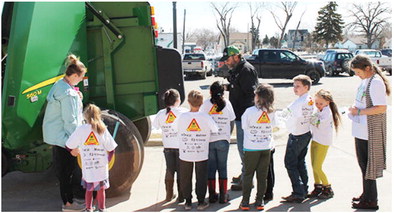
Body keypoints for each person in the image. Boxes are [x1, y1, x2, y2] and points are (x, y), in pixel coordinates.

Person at [42, 54, 86, 211]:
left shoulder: (60, 85)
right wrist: (74, 144)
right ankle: (68, 204)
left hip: (57, 136)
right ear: (74, 75)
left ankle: (69, 201)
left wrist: (77, 95)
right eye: (80, 77)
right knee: (67, 173)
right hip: (65, 138)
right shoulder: (68, 95)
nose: (81, 80)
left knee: (63, 172)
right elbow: (71, 121)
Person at [348, 55, 390, 210]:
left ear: (367, 68)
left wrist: (358, 111)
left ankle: (371, 199)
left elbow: (381, 107)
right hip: (360, 129)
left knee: (368, 167)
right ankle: (367, 193)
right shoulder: (365, 81)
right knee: (363, 165)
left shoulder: (376, 82)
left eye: (358, 72)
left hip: (368, 131)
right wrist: (354, 110)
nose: (357, 75)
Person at [65, 104, 118, 212]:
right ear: (98, 115)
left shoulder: (81, 129)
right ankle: (102, 209)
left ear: (85, 116)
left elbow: (68, 145)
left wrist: (73, 151)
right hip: (101, 167)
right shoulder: (102, 128)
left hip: (88, 166)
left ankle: (88, 209)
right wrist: (107, 161)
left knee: (89, 190)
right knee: (101, 190)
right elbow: (112, 148)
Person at [221, 45, 259, 190]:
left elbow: (251, 93)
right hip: (239, 115)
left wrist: (247, 116)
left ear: (236, 56)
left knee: (244, 148)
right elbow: (238, 87)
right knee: (241, 147)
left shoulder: (246, 70)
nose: (226, 62)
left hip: (245, 116)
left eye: (228, 59)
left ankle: (247, 180)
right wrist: (228, 87)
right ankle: (245, 173)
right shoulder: (237, 70)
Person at [176, 90, 219, 211]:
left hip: (185, 152)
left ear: (188, 102)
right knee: (201, 177)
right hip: (201, 152)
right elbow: (215, 129)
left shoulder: (182, 117)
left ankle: (188, 202)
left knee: (186, 177)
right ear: (201, 103)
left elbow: (175, 128)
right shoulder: (206, 117)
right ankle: (201, 201)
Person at [239, 83, 276, 211]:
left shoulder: (249, 112)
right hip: (266, 147)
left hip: (251, 147)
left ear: (258, 97)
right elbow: (274, 125)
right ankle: (259, 201)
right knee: (262, 175)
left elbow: (244, 127)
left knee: (248, 174)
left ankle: (245, 201)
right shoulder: (271, 112)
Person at [200, 81, 236, 204]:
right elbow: (232, 121)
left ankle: (211, 195)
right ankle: (223, 195)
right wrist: (227, 135)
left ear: (210, 92)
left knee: (211, 168)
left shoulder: (205, 105)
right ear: (223, 92)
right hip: (223, 140)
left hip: (209, 140)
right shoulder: (227, 104)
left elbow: (201, 121)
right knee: (222, 167)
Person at [281, 74, 314, 203]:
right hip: (304, 133)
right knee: (300, 162)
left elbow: (289, 115)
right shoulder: (307, 99)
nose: (295, 88)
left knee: (290, 163)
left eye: (298, 86)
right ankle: (303, 189)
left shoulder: (301, 101)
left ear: (306, 87)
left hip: (297, 135)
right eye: (294, 86)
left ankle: (298, 192)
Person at [152, 89, 187, 202]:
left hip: (167, 146)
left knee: (170, 170)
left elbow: (156, 126)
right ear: (178, 100)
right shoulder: (183, 112)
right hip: (180, 147)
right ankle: (181, 196)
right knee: (181, 171)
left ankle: (169, 194)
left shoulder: (161, 113)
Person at [308, 89, 341, 199]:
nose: (318, 105)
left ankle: (327, 187)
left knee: (317, 166)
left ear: (327, 102)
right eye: (316, 103)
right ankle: (318, 187)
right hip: (315, 139)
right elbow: (313, 119)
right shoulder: (318, 110)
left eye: (321, 103)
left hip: (323, 142)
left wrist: (311, 118)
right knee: (313, 165)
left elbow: (315, 122)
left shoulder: (327, 113)